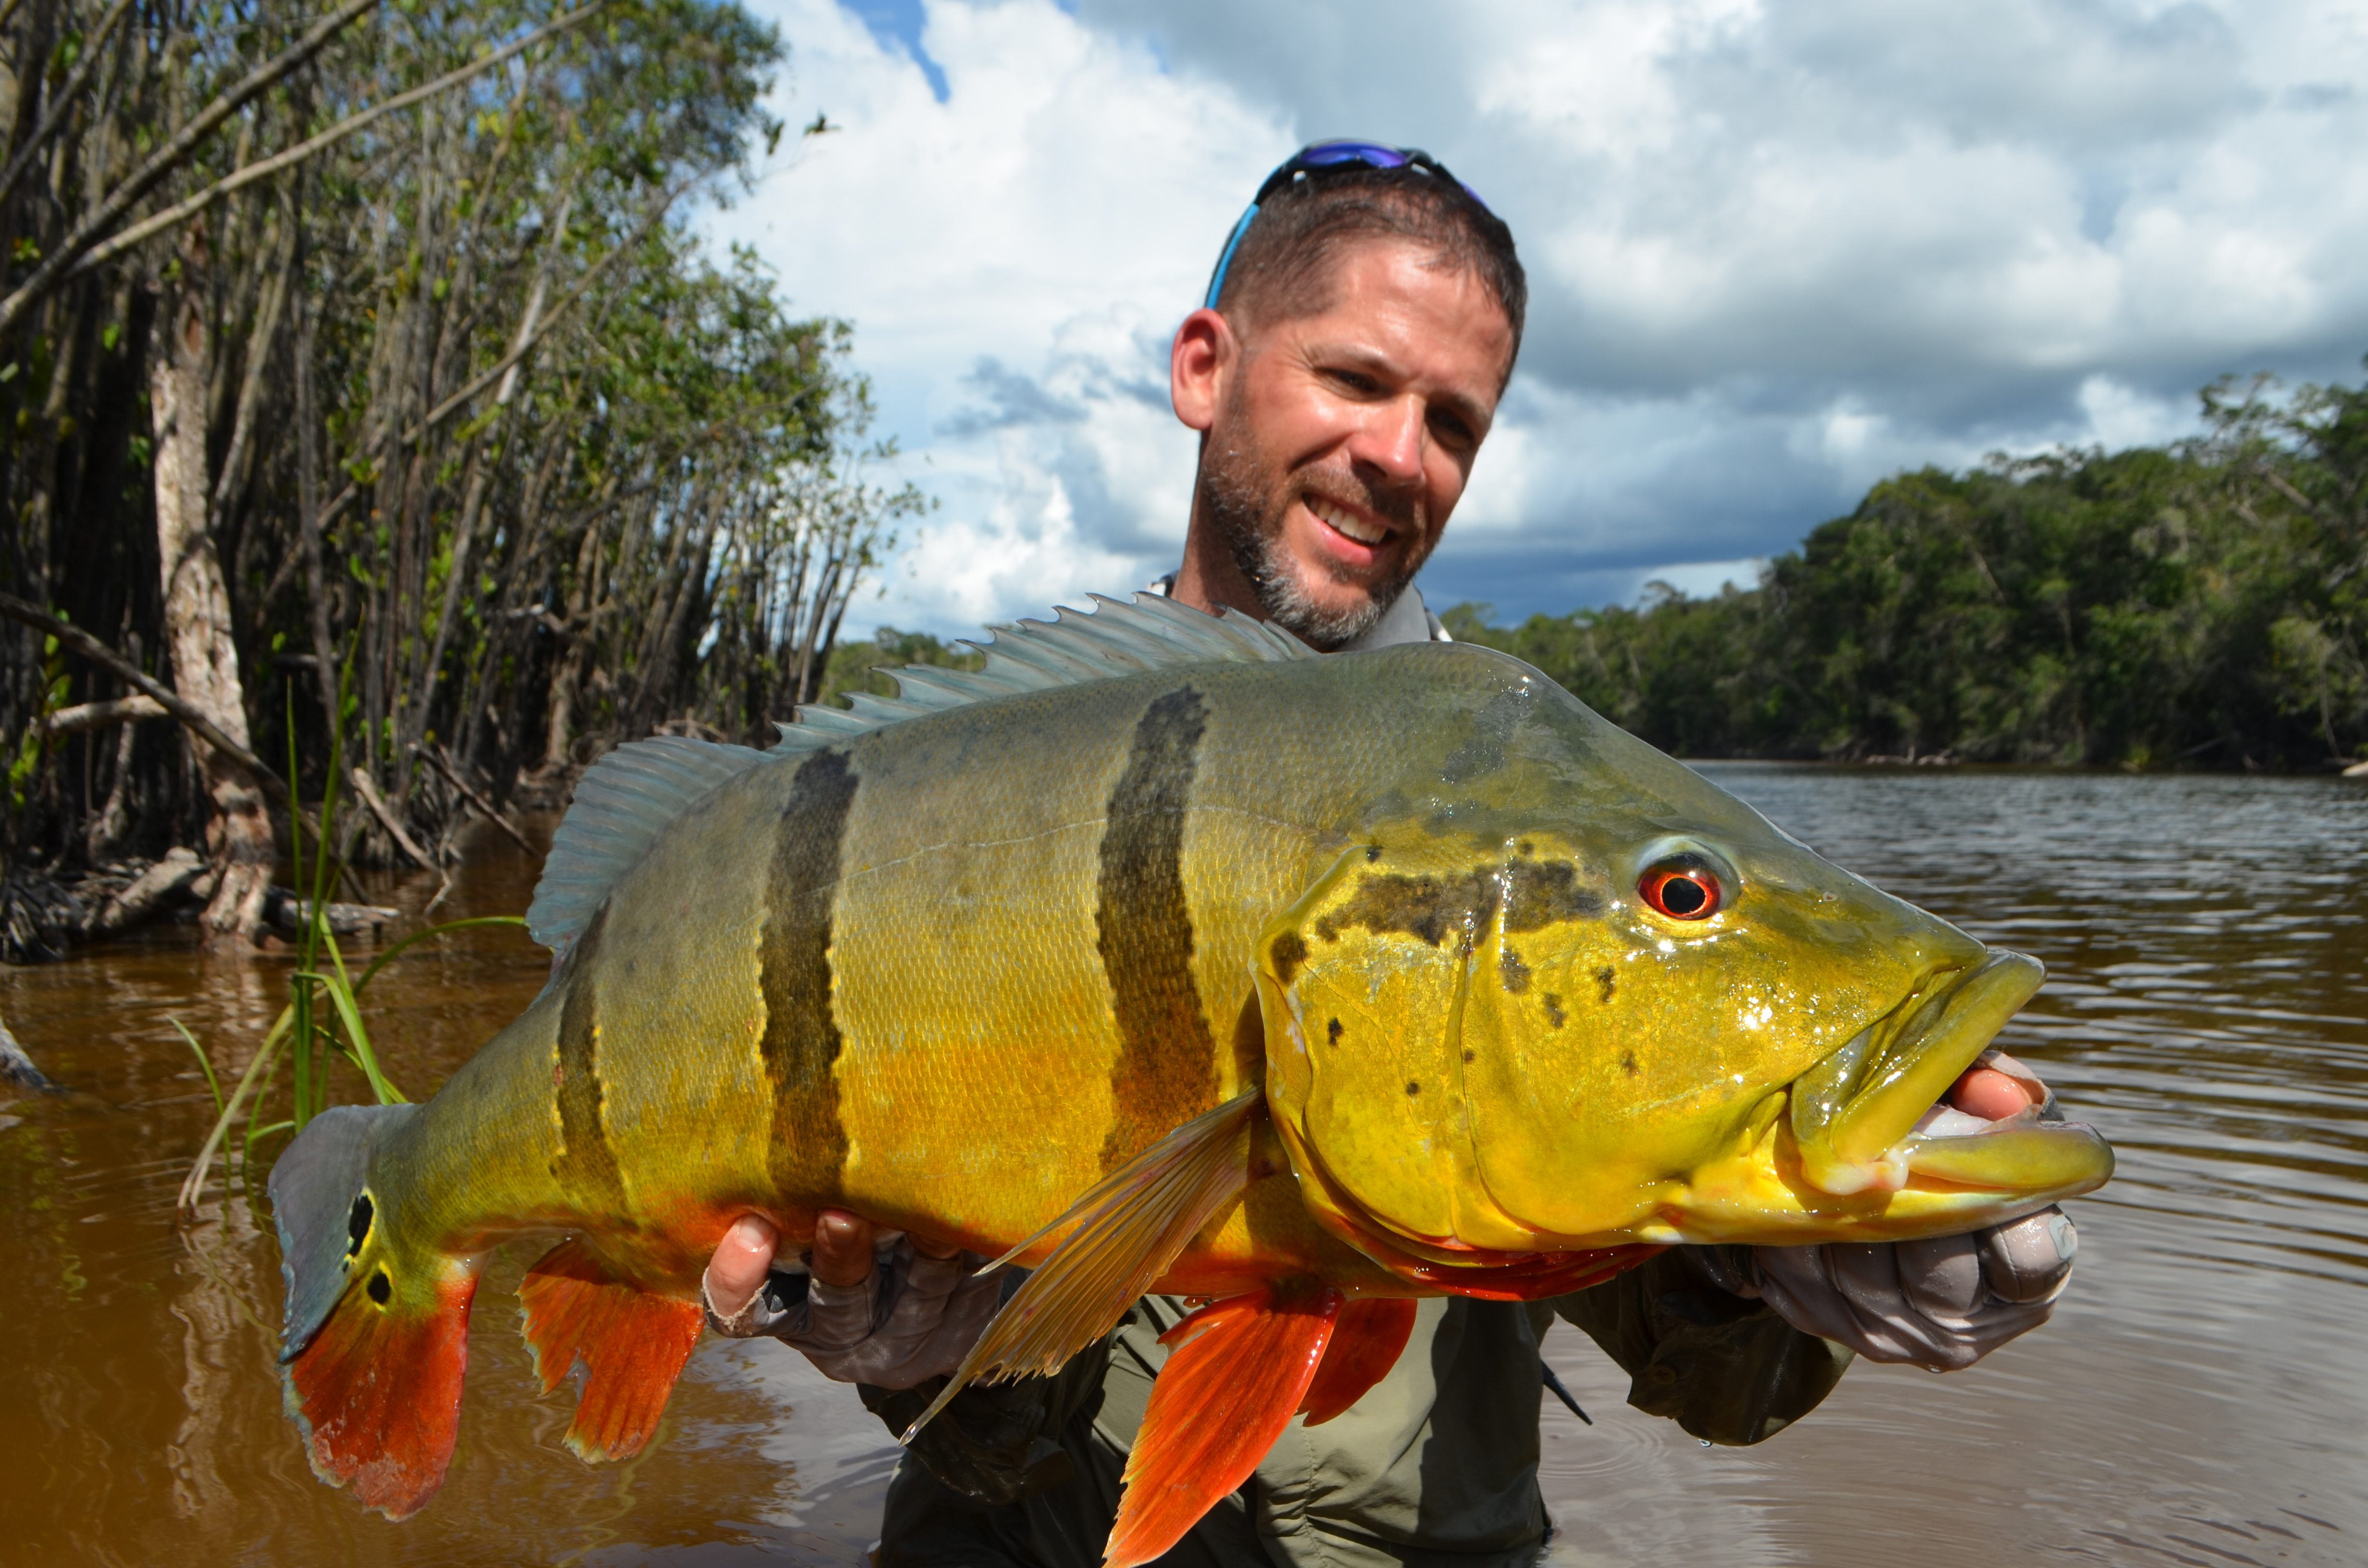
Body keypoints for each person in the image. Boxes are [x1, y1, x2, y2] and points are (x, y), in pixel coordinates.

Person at [702, 142, 2081, 1566]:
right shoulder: (971, 803)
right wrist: (921, 1356)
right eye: (1357, 380)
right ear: (1201, 368)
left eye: (1456, 423)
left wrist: (1808, 1269)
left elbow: (1716, 1377)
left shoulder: (1532, 811)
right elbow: (928, 1380)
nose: (1401, 454)